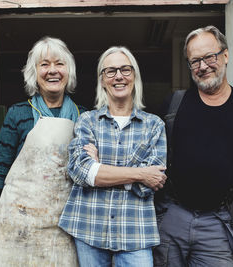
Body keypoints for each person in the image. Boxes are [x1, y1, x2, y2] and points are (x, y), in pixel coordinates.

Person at [153, 25, 233, 266]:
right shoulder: (173, 105)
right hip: (172, 218)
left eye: (209, 57)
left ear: (225, 55)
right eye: (195, 61)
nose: (203, 66)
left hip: (219, 223)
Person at [0, 36, 85, 266]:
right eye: (44, 64)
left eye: (59, 63)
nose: (52, 70)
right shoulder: (17, 114)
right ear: (34, 72)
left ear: (69, 71)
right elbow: (0, 170)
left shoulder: (85, 118)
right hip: (18, 224)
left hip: (65, 228)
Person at [59, 46, 167, 267]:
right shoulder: (87, 121)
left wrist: (100, 168)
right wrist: (139, 173)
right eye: (111, 71)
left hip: (135, 233)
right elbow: (81, 172)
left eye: (125, 69)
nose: (119, 76)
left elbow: (151, 183)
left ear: (134, 76)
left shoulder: (154, 125)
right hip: (88, 228)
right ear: (102, 80)